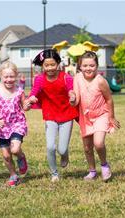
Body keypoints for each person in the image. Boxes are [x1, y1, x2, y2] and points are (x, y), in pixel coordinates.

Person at [24, 49, 78, 182]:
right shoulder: (40, 79)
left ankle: (65, 155)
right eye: (46, 65)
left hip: (66, 115)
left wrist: (72, 96)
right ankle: (54, 173)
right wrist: (31, 99)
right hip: (50, 115)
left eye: (52, 64)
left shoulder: (66, 77)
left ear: (58, 63)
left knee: (62, 148)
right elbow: (34, 92)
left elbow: (71, 90)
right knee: (50, 147)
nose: (50, 68)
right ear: (42, 66)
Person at [70, 51, 120, 181]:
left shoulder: (100, 81)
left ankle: (104, 165)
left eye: (91, 65)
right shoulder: (77, 78)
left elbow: (109, 99)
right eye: (85, 65)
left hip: (101, 115)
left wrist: (111, 117)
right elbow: (76, 100)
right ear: (80, 66)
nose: (88, 68)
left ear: (97, 66)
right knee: (87, 147)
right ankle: (92, 171)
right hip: (85, 117)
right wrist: (72, 98)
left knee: (98, 143)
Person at [0, 61, 28, 187]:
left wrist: (28, 104)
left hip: (17, 123)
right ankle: (13, 175)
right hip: (2, 126)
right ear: (1, 76)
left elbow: (24, 107)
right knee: (6, 155)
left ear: (16, 76)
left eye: (11, 76)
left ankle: (21, 157)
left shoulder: (19, 91)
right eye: (6, 77)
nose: (9, 79)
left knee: (15, 149)